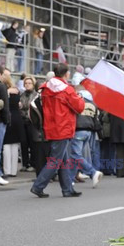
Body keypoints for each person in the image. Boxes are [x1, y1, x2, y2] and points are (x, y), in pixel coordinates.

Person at [30, 63, 85, 198]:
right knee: (55, 161)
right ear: (66, 74)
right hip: (64, 127)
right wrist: (80, 98)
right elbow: (79, 107)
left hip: (51, 127)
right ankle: (38, 186)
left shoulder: (46, 88)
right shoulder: (67, 89)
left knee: (63, 160)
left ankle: (67, 189)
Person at [2, 75, 23, 178]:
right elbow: (19, 104)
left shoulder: (5, 91)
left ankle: (7, 170)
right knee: (15, 145)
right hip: (17, 118)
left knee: (6, 145)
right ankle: (13, 170)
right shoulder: (16, 90)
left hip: (7, 118)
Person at [19, 76, 38, 172]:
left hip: (32, 121)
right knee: (23, 143)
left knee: (32, 143)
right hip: (23, 121)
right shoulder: (22, 95)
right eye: (26, 83)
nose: (27, 85)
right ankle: (25, 163)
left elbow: (31, 106)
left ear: (33, 84)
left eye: (29, 83)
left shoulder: (36, 95)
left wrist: (22, 107)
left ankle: (33, 163)